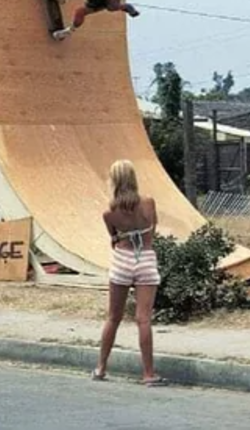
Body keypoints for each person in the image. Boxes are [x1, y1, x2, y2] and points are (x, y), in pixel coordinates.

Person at [92, 159, 167, 386]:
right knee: (143, 319)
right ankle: (148, 374)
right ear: (133, 179)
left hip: (122, 260)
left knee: (113, 317)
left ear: (114, 181)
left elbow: (113, 240)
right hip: (145, 258)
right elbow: (153, 229)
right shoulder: (148, 203)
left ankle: (101, 367)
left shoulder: (109, 213)